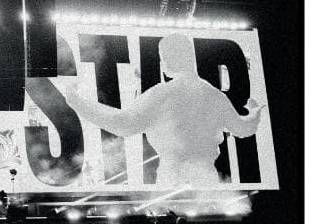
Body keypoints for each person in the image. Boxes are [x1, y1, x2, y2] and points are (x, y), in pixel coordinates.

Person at [59, 33, 263, 186]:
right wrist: (254, 114)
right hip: (207, 179)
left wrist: (77, 102)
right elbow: (243, 128)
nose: (161, 62)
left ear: (168, 59)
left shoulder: (163, 93)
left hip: (173, 178)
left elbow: (123, 124)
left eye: (162, 57)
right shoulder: (216, 96)